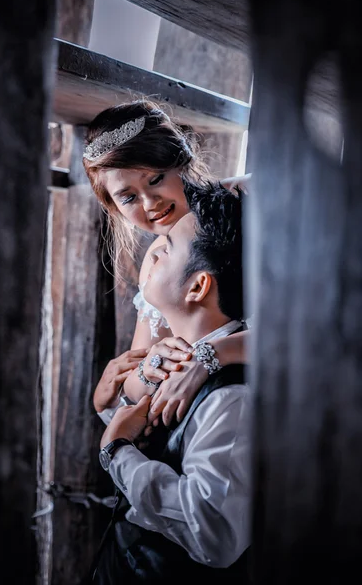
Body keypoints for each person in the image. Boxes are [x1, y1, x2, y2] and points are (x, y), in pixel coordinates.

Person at [91, 180, 251, 584]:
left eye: (166, 250)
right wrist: (112, 410)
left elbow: (213, 535)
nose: (153, 252)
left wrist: (117, 453)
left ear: (198, 286)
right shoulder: (177, 357)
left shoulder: (230, 398)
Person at [83, 99, 251, 425]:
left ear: (180, 161)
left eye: (156, 178)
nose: (150, 202)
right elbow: (136, 377)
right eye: (129, 197)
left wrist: (211, 357)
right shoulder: (156, 263)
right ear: (114, 207)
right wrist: (148, 371)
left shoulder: (242, 204)